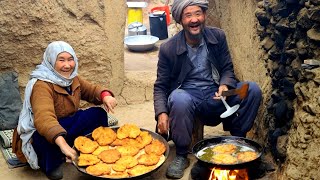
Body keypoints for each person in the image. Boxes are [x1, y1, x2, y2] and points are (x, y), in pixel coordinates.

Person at [153, 0, 262, 179]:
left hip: (218, 94)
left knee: (251, 89)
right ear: (180, 20)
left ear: (204, 15)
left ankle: (238, 142)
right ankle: (182, 154)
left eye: (198, 13)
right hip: (189, 96)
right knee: (178, 98)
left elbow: (227, 67)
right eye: (188, 15)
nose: (194, 19)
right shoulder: (168, 48)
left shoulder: (217, 37)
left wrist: (225, 84)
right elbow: (161, 86)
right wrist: (161, 113)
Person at [12, 41, 118, 180]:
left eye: (70, 59)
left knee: (97, 114)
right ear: (50, 61)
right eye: (61, 60)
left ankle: (84, 148)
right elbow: (45, 119)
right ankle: (51, 164)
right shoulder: (42, 85)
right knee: (42, 138)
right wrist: (63, 145)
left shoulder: (72, 78)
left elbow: (91, 90)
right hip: (44, 129)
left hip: (65, 123)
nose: (67, 65)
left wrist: (106, 96)